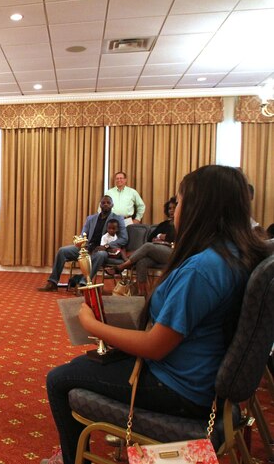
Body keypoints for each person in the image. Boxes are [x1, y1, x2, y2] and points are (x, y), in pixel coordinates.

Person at [45, 165, 269, 464]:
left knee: (61, 378)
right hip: (202, 375)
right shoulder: (237, 254)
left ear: (198, 208)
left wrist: (93, 325)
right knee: (82, 365)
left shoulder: (203, 269)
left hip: (180, 387)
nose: (174, 210)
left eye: (179, 202)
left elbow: (155, 346)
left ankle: (72, 460)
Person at [38, 196, 127, 292]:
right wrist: (80, 242)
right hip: (87, 248)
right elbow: (83, 235)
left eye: (108, 203)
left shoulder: (118, 219)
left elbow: (124, 238)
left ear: (112, 205)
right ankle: (53, 282)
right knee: (62, 251)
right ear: (100, 205)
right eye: (103, 202)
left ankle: (83, 283)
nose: (105, 204)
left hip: (104, 250)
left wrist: (106, 246)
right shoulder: (91, 218)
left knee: (101, 255)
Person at [106, 197, 177, 295]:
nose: (172, 211)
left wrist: (160, 237)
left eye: (174, 208)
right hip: (158, 251)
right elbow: (151, 238)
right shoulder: (163, 224)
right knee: (141, 261)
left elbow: (173, 237)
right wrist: (161, 237)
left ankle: (122, 266)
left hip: (172, 253)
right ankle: (142, 293)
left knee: (148, 246)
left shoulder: (181, 223)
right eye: (170, 208)